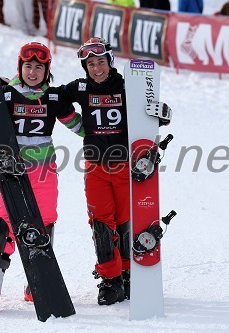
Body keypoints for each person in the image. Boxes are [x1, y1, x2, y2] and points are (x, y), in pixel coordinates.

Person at [0, 42, 84, 312]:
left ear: (47, 70)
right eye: (28, 66)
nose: (33, 71)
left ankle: (40, 280)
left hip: (44, 171)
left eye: (39, 67)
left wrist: (114, 129)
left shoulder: (54, 99)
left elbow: (81, 128)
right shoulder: (7, 94)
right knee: (4, 218)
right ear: (20, 67)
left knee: (44, 220)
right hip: (11, 167)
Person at [60, 37, 170, 306]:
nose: (96, 68)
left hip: (126, 167)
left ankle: (129, 275)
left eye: (100, 62)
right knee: (101, 223)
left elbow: (150, 112)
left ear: (109, 61)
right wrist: (78, 127)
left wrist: (162, 114)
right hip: (95, 167)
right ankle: (110, 280)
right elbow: (54, 99)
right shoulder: (81, 87)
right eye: (90, 64)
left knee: (125, 223)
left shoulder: (127, 86)